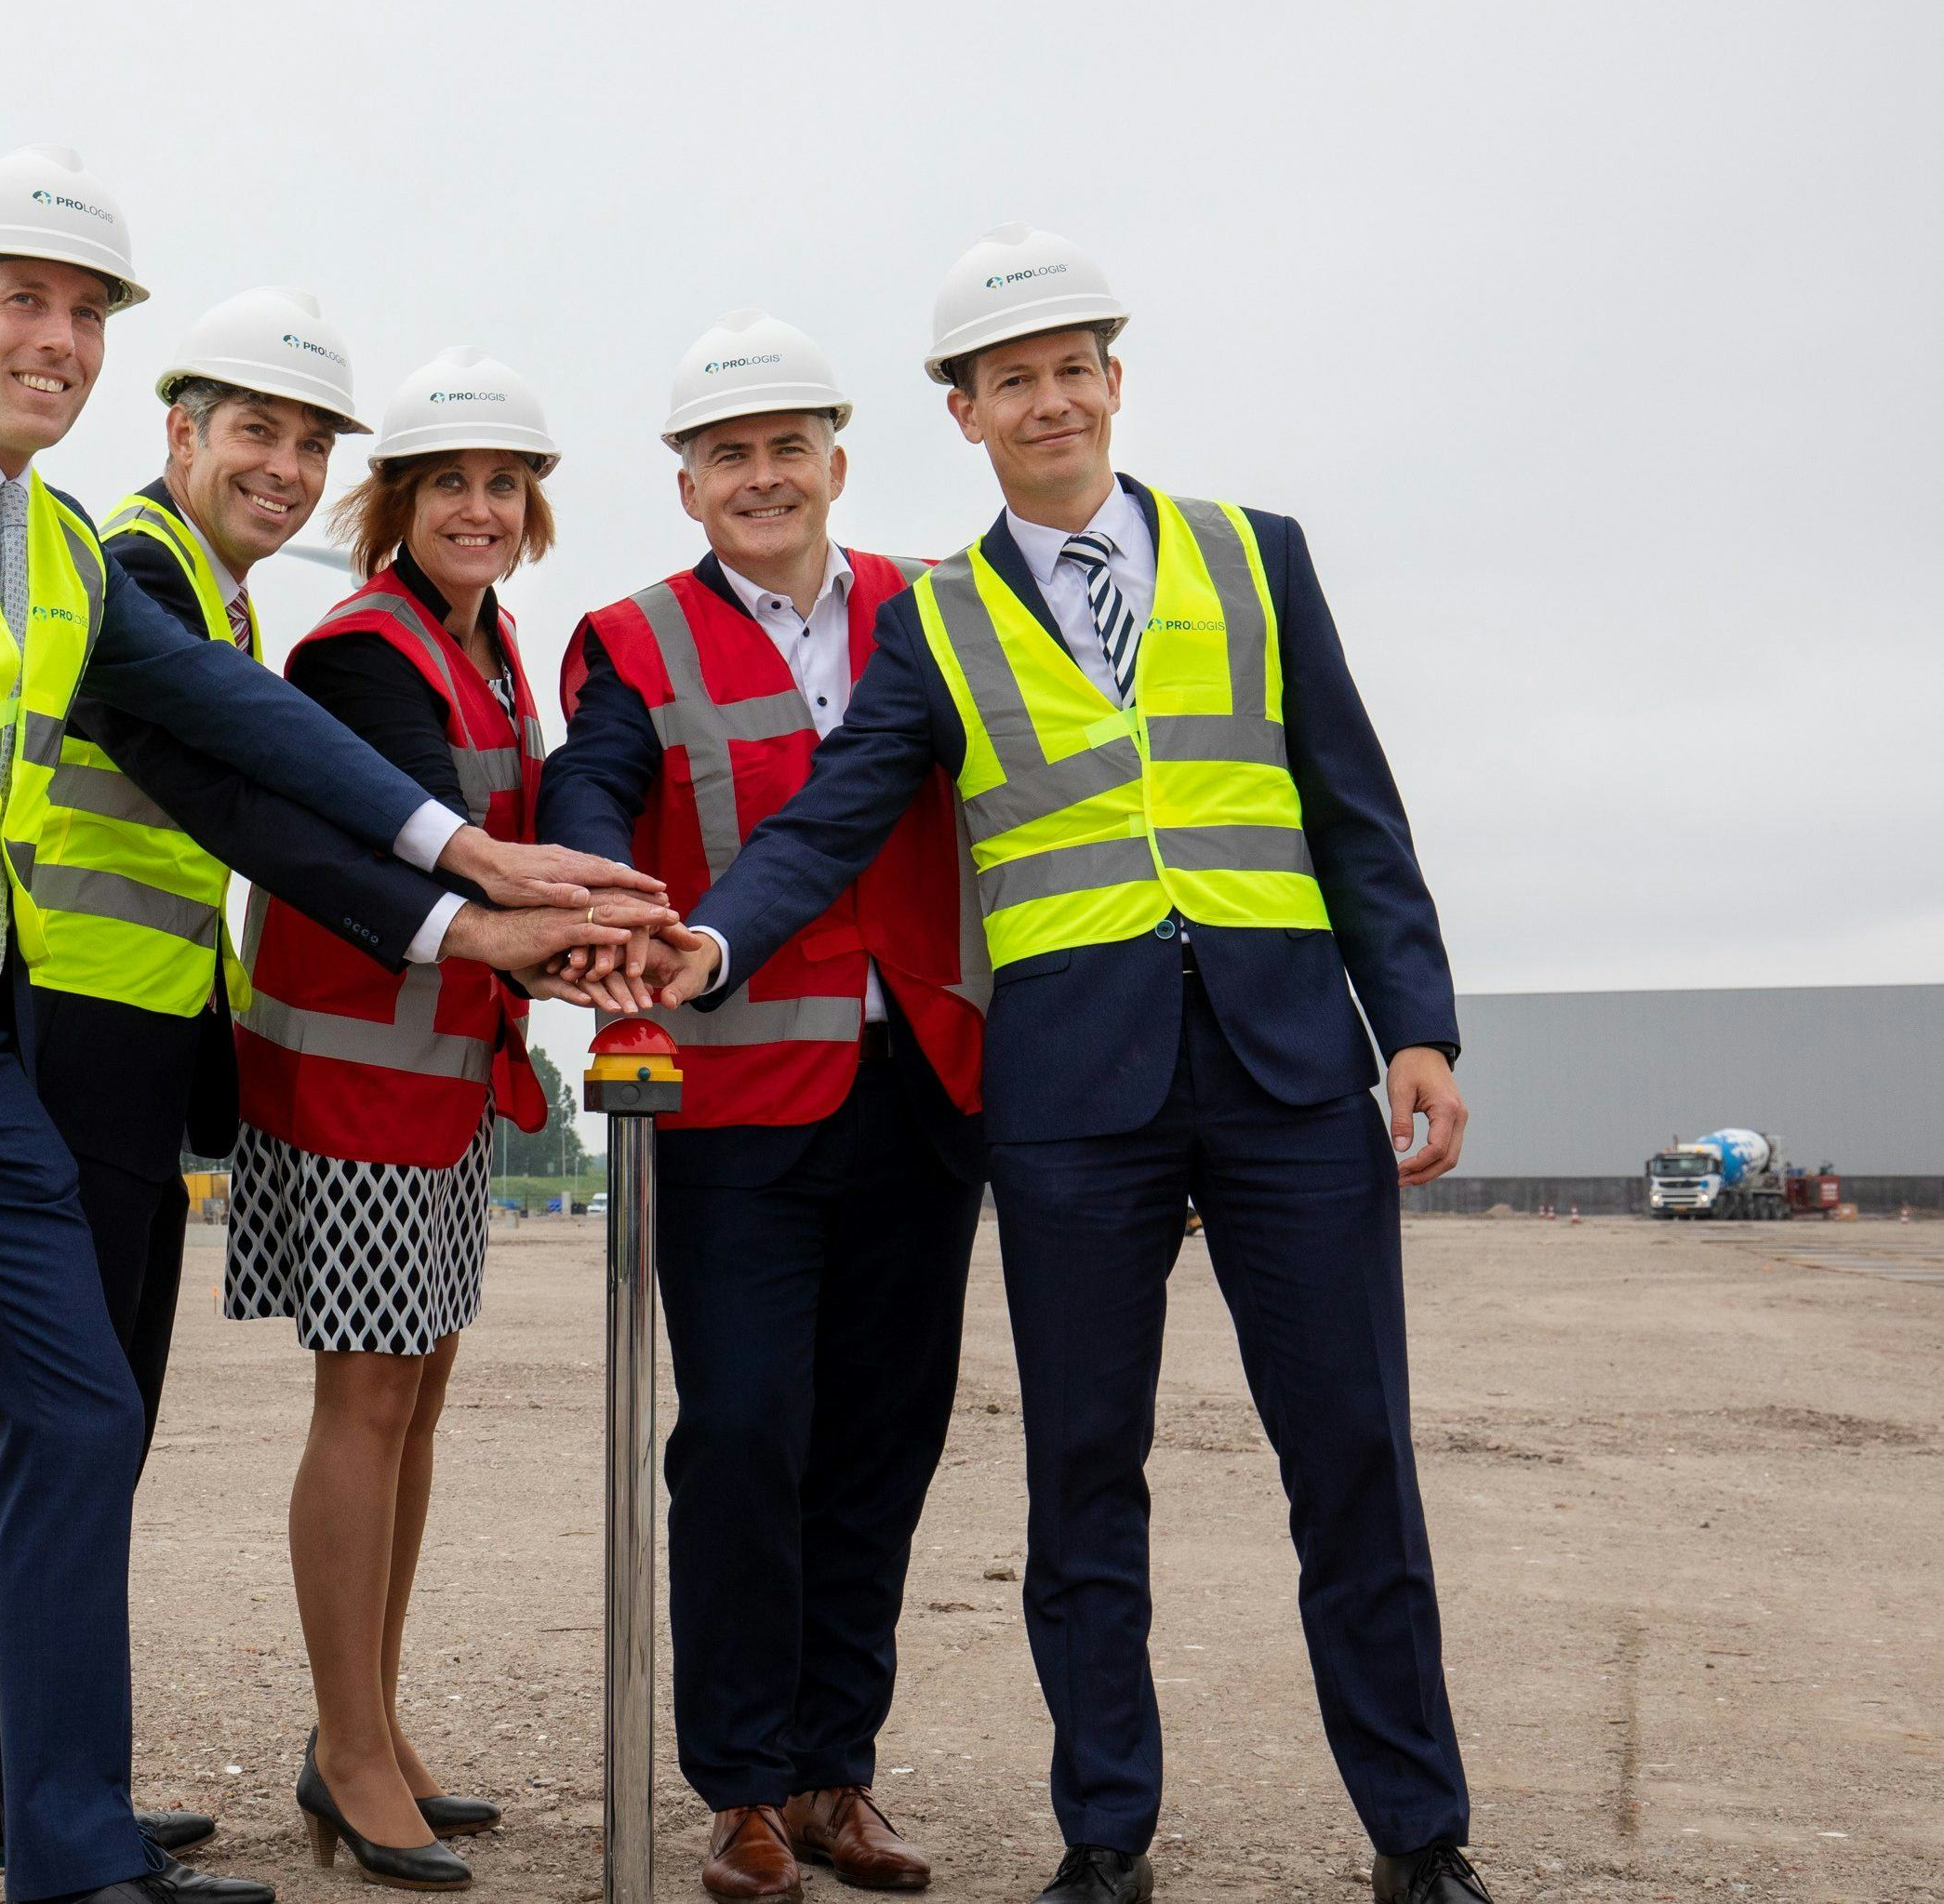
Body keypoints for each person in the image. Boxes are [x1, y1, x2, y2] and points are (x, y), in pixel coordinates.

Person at [0, 148, 651, 1904]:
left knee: (82, 1412)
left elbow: (243, 733)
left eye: (86, 312)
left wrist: (464, 855)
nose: (58, 338)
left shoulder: (56, 554)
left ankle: (69, 1847)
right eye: (24, 302)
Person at [628, 226, 1485, 1904]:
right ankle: (1106, 1835)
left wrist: (1419, 1027)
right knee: (1084, 1473)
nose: (1048, 401)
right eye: (1009, 379)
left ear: (1114, 379)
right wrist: (714, 945)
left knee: (1355, 1457)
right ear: (963, 413)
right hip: (1074, 1098)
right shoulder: (936, 621)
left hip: (1290, 1070)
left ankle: (1419, 1836)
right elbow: (831, 823)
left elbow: (1354, 809)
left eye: (1071, 369)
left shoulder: (1257, 557)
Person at [532, 312, 989, 1902]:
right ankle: (736, 1785)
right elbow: (590, 784)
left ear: (837, 463)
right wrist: (603, 896)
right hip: (731, 1104)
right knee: (740, 1435)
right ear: (687, 485)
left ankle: (830, 1772)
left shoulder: (942, 609)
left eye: (790, 446)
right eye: (730, 455)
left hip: (922, 1088)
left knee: (881, 1442)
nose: (764, 476)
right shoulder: (631, 636)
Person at [0, 285, 379, 1878]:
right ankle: (38, 1790)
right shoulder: (132, 568)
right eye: (256, 430)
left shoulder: (209, 589)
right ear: (180, 432)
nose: (286, 467)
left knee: (78, 1430)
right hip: (76, 1038)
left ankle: (24, 1775)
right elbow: (231, 791)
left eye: (311, 444)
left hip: (127, 1046)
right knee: (72, 1429)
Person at [226, 346, 627, 1893]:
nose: (480, 508)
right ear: (394, 500)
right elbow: (435, 850)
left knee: (419, 1398)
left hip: (440, 1081)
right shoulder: (361, 655)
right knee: (368, 1404)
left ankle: (373, 1728)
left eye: (504, 484)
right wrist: (583, 936)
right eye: (450, 482)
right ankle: (346, 1750)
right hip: (355, 1089)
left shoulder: (496, 644)